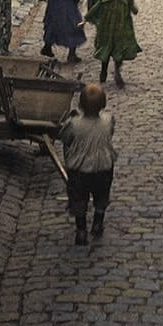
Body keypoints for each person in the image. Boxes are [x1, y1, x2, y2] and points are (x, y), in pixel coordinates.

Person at [59, 83, 117, 245]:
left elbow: (65, 138)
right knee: (101, 196)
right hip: (103, 167)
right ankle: (98, 223)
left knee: (79, 198)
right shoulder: (108, 120)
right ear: (103, 104)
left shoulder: (74, 123)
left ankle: (81, 231)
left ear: (81, 104)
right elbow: (110, 134)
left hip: (80, 169)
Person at [85, 0, 140, 88]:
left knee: (106, 49)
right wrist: (134, 9)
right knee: (118, 50)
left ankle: (103, 71)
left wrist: (86, 18)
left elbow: (95, 8)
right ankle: (117, 70)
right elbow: (134, 10)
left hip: (105, 30)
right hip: (121, 30)